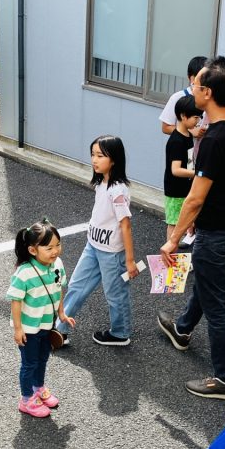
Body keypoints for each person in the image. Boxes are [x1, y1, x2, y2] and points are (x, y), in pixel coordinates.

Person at [157, 56, 225, 400]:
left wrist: (173, 240)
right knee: (207, 286)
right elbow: (221, 184)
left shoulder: (212, 139)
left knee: (216, 306)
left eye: (196, 85)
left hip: (216, 235)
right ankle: (182, 329)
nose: (192, 89)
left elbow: (194, 199)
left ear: (207, 92)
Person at [55, 136, 138, 347]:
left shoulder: (117, 190)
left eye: (100, 155)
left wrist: (129, 260)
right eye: (93, 154)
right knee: (76, 285)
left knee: (115, 294)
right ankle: (60, 328)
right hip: (93, 246)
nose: (94, 160)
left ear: (114, 159)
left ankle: (120, 333)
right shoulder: (102, 182)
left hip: (112, 253)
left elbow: (125, 225)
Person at [7, 221, 74, 418]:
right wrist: (18, 329)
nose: (55, 251)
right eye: (49, 247)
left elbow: (60, 287)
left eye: (58, 245)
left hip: (47, 323)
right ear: (32, 250)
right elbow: (15, 301)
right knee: (29, 363)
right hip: (28, 327)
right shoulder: (24, 272)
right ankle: (26, 399)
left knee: (43, 358)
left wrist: (61, 313)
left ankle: (39, 388)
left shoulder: (58, 264)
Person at [163, 95, 201, 241]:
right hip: (175, 191)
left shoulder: (187, 135)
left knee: (183, 221)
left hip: (185, 188)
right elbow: (176, 170)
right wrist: (196, 173)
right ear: (183, 116)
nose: (198, 121)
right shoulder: (177, 140)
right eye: (195, 118)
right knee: (174, 224)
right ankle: (170, 255)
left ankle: (174, 253)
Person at [159, 55, 208, 136]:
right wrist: (190, 132)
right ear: (189, 78)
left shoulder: (211, 98)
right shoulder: (177, 97)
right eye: (197, 78)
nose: (201, 82)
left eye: (205, 78)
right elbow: (166, 127)